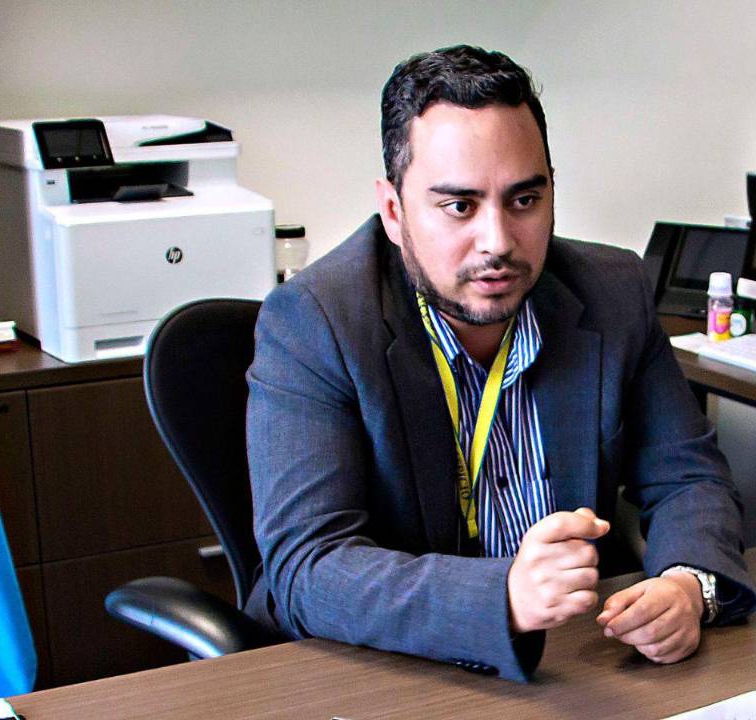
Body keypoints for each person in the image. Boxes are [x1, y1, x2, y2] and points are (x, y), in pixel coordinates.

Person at [244, 45, 755, 682]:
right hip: (385, 671)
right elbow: (307, 567)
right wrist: (502, 596)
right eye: (459, 206)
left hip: (575, 661)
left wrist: (686, 585)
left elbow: (688, 476)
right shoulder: (315, 320)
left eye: (524, 200)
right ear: (395, 211)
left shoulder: (613, 290)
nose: (498, 242)